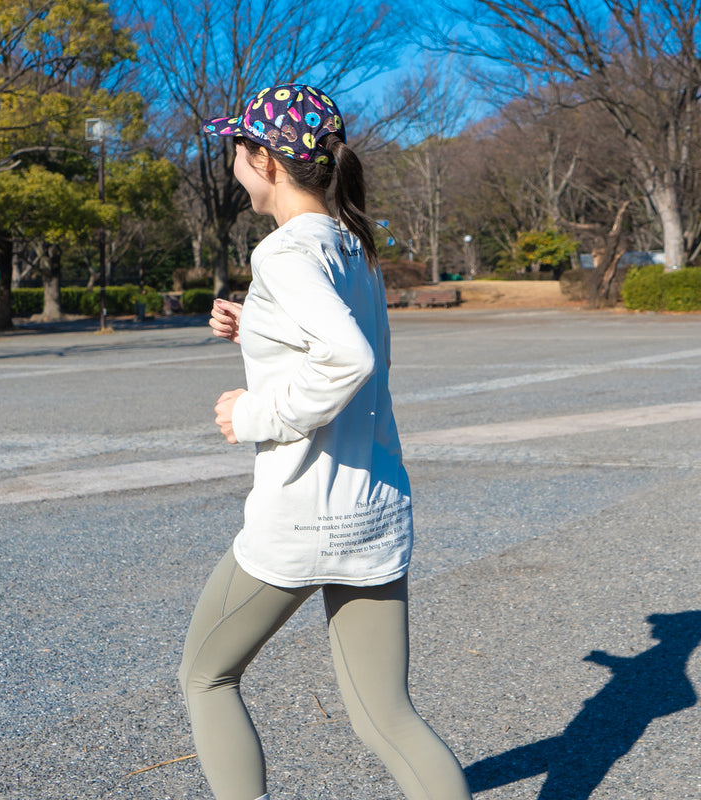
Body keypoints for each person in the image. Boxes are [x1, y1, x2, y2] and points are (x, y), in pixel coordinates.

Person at [178, 83, 472, 800]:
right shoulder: (353, 244)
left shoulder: (284, 252)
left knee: (206, 677)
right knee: (388, 718)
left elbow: (349, 360)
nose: (233, 165)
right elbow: (337, 343)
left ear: (267, 162)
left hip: (303, 514)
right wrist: (254, 326)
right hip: (372, 509)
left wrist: (252, 413)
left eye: (238, 151)